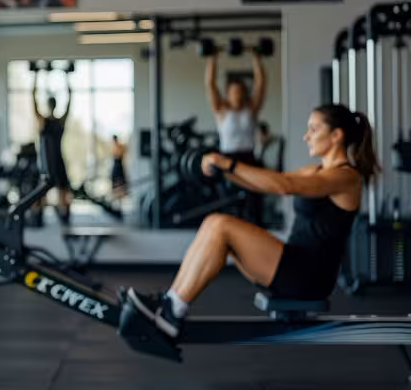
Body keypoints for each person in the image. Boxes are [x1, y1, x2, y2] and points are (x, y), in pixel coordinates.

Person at [126, 104, 378, 339]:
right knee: (215, 224)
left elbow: (283, 186)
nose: (306, 136)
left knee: (221, 224)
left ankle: (173, 310)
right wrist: (223, 171)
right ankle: (170, 303)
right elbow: (266, 180)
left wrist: (228, 163)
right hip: (293, 262)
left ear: (336, 135)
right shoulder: (315, 172)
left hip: (307, 274)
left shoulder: (346, 178)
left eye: (314, 129)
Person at [205, 46, 266, 223]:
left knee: (253, 204)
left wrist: (256, 58)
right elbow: (210, 84)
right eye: (233, 91)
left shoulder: (251, 110)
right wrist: (213, 58)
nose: (237, 94)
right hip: (227, 158)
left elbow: (260, 84)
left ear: (244, 93)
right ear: (228, 93)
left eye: (240, 91)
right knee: (230, 203)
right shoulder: (221, 110)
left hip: (248, 157)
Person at [33, 67, 72, 223]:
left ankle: (61, 216)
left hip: (49, 161)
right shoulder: (56, 122)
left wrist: (35, 78)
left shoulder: (44, 122)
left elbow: (33, 102)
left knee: (57, 192)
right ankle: (40, 216)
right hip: (50, 161)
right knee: (42, 193)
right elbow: (70, 102)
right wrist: (67, 79)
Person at [110, 135, 127, 201]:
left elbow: (119, 155)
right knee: (115, 179)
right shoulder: (114, 147)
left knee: (120, 180)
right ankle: (116, 195)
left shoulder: (120, 146)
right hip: (116, 164)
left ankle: (120, 196)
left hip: (118, 164)